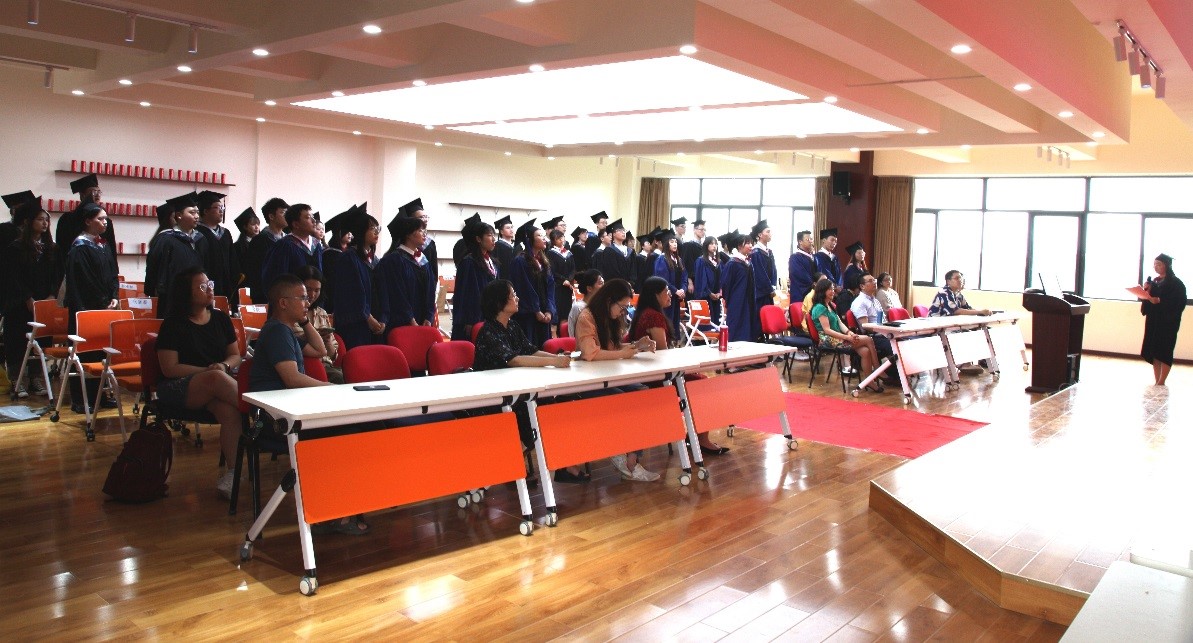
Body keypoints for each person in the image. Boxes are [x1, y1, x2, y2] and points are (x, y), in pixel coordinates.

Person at [247, 274, 364, 535]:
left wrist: (304, 320)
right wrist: (333, 389)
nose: (307, 302)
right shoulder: (276, 332)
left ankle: (341, 505)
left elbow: (320, 350)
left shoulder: (286, 330)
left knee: (354, 429)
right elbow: (292, 379)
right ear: (283, 303)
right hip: (273, 419)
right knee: (345, 432)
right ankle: (329, 511)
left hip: (290, 410)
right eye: (301, 298)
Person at [471, 280, 581, 482]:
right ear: (499, 302)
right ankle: (512, 464)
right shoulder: (488, 331)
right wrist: (554, 362)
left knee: (555, 405)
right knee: (534, 410)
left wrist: (556, 358)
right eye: (513, 295)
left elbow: (530, 351)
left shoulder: (512, 326)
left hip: (515, 391)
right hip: (494, 398)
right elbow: (513, 359)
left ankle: (560, 463)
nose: (517, 298)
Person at [155, 267, 243, 496]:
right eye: (203, 287)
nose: (210, 290)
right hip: (178, 386)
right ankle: (264, 414)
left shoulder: (221, 319)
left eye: (210, 284)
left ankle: (234, 474)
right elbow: (169, 368)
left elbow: (235, 355)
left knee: (229, 412)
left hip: (216, 384)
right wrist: (208, 372)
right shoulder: (173, 324)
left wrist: (224, 366)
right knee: (215, 378)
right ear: (186, 293)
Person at [574, 278, 661, 482]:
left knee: (643, 393)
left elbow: (611, 348)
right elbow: (591, 353)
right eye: (622, 307)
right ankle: (624, 455)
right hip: (589, 382)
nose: (623, 312)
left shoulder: (610, 318)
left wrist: (637, 345)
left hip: (610, 376)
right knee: (623, 399)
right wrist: (624, 354)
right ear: (608, 301)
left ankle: (631, 456)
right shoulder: (586, 317)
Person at [630, 276, 728, 454]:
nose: (669, 295)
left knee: (700, 382)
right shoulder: (653, 316)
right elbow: (663, 352)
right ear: (655, 295)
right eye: (666, 292)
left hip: (651, 372)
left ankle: (696, 435)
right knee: (702, 385)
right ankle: (701, 438)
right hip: (657, 376)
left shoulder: (646, 313)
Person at [3, 197, 60, 397]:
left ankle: (36, 378)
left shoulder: (51, 248)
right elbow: (13, 277)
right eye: (40, 219)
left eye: (46, 220)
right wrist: (27, 298)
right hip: (20, 303)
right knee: (18, 341)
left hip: (44, 301)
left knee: (40, 340)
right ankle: (17, 380)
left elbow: (57, 275)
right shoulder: (16, 248)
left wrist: (52, 294)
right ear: (29, 222)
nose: (44, 223)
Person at [810, 279, 884, 392]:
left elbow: (840, 323)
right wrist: (847, 337)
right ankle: (878, 369)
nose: (833, 291)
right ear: (822, 291)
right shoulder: (819, 307)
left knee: (865, 351)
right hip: (828, 340)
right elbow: (827, 330)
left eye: (833, 289)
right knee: (869, 339)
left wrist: (850, 333)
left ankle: (869, 381)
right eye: (830, 289)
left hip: (839, 337)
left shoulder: (830, 305)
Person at [331, 206, 386, 350]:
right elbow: (351, 295)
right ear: (360, 231)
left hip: (377, 323)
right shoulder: (347, 259)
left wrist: (383, 319)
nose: (376, 232)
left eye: (377, 228)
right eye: (372, 228)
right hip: (357, 326)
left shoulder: (375, 260)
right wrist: (368, 318)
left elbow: (383, 292)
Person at [146, 192, 209, 314]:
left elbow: (206, 268)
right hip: (171, 298)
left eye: (197, 212)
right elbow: (154, 268)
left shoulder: (201, 239)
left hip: (197, 297)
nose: (196, 216)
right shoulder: (165, 239)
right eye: (192, 212)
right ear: (179, 215)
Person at [378, 214, 436, 333]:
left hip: (424, 321)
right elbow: (397, 293)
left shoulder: (423, 260)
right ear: (408, 234)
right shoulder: (394, 260)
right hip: (401, 322)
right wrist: (410, 319)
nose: (424, 234)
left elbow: (431, 290)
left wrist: (429, 317)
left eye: (424, 230)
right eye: (420, 230)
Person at [56, 174, 118, 274]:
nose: (97, 195)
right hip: (75, 269)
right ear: (82, 195)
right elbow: (62, 249)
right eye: (93, 191)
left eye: (99, 192)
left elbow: (111, 249)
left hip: (100, 271)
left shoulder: (106, 221)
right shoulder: (68, 219)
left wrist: (114, 273)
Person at [1140, 253, 1186, 386]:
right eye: (1154, 264)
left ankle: (1162, 380)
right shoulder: (1154, 281)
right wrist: (1146, 290)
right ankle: (1157, 380)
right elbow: (1148, 298)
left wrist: (1160, 300)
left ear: (1167, 265)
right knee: (1154, 349)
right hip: (1154, 320)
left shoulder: (1176, 283)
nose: (1156, 267)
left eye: (1159, 264)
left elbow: (1178, 302)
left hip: (1167, 321)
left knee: (1164, 349)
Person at [451, 219, 499, 341]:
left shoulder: (492, 262)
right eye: (489, 235)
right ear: (478, 239)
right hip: (473, 319)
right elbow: (467, 294)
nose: (493, 239)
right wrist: (470, 319)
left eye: (494, 235)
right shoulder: (469, 262)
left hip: (489, 315)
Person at [509, 221, 555, 347]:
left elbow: (550, 287)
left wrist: (549, 310)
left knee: (544, 348)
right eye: (539, 236)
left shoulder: (543, 262)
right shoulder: (520, 261)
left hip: (544, 315)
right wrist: (536, 310)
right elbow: (524, 288)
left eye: (543, 235)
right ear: (529, 240)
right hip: (528, 316)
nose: (544, 239)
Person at [296, 266, 344, 384]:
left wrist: (327, 341)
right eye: (308, 289)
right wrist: (315, 338)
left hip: (326, 366)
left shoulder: (322, 313)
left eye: (317, 290)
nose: (312, 295)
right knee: (339, 378)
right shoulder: (292, 313)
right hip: (302, 365)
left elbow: (332, 356)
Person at [261, 203, 322, 295]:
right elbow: (277, 279)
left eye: (313, 217)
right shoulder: (284, 245)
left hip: (314, 298)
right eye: (308, 217)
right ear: (296, 224)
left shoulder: (316, 245)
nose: (314, 221)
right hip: (292, 299)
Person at [849, 273, 898, 384]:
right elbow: (866, 326)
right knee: (894, 346)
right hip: (872, 336)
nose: (874, 282)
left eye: (874, 280)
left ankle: (896, 374)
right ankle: (893, 376)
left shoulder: (875, 300)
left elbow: (883, 320)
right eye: (870, 281)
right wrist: (885, 330)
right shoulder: (859, 302)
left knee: (902, 341)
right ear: (862, 286)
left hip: (883, 333)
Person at [194, 190, 239, 308]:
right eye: (217, 207)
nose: (221, 211)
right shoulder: (197, 234)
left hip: (226, 287)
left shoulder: (225, 233)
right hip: (206, 286)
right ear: (205, 211)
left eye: (222, 208)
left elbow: (232, 261)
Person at [719, 231, 761, 342]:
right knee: (737, 329)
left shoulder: (748, 263)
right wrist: (728, 301)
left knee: (749, 328)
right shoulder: (733, 263)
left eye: (751, 243)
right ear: (739, 246)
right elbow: (726, 284)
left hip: (749, 301)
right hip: (737, 302)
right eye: (747, 243)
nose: (751, 246)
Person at [245, 197, 289, 304]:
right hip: (265, 296)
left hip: (287, 294)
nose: (287, 216)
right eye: (283, 212)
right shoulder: (259, 241)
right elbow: (256, 273)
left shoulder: (288, 240)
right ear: (271, 216)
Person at [652, 230, 687, 341]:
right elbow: (663, 280)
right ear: (666, 244)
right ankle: (665, 343)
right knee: (667, 321)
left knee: (675, 323)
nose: (675, 244)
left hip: (676, 298)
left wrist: (683, 289)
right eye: (672, 242)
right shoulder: (661, 259)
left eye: (675, 242)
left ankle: (673, 343)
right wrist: (676, 290)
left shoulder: (679, 260)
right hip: (666, 297)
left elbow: (684, 277)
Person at [394, 197, 437, 282]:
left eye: (426, 217)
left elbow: (433, 271)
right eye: (421, 217)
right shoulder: (398, 254)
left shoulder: (430, 243)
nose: (424, 220)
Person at [546, 229, 575, 337]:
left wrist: (570, 279)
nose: (562, 240)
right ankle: (555, 334)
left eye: (562, 237)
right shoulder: (551, 253)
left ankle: (564, 334)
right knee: (558, 309)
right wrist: (563, 280)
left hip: (567, 287)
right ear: (553, 241)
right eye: (558, 238)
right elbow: (552, 271)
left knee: (566, 310)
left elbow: (573, 269)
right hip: (557, 286)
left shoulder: (568, 253)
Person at [692, 236, 723, 326]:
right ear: (706, 245)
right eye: (711, 244)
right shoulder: (701, 261)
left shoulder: (718, 262)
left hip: (716, 296)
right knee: (707, 321)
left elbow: (721, 278)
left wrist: (719, 292)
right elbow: (700, 280)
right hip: (705, 297)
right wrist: (709, 293)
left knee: (716, 321)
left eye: (716, 244)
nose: (714, 246)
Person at [749, 220, 778, 311]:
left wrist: (773, 286)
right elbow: (760, 274)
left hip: (769, 291)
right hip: (760, 293)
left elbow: (774, 270)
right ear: (760, 235)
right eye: (767, 232)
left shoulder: (769, 252)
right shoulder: (755, 252)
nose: (770, 234)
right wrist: (769, 289)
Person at [592, 218, 632, 283]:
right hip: (615, 284)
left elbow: (634, 271)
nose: (623, 232)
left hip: (629, 285)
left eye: (624, 230)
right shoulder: (609, 250)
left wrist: (631, 283)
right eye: (620, 230)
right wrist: (622, 283)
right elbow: (611, 271)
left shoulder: (630, 251)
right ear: (614, 234)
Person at [568, 269, 603, 338]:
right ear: (589, 288)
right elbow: (573, 335)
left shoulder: (601, 306)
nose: (604, 287)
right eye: (600, 283)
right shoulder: (578, 307)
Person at [232, 207, 260, 289]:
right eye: (253, 224)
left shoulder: (263, 243)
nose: (256, 227)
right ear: (245, 227)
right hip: (245, 283)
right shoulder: (237, 247)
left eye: (258, 224)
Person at [493, 214, 516, 279]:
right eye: (508, 228)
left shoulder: (517, 245)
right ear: (501, 231)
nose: (511, 230)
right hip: (505, 278)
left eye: (512, 227)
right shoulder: (498, 246)